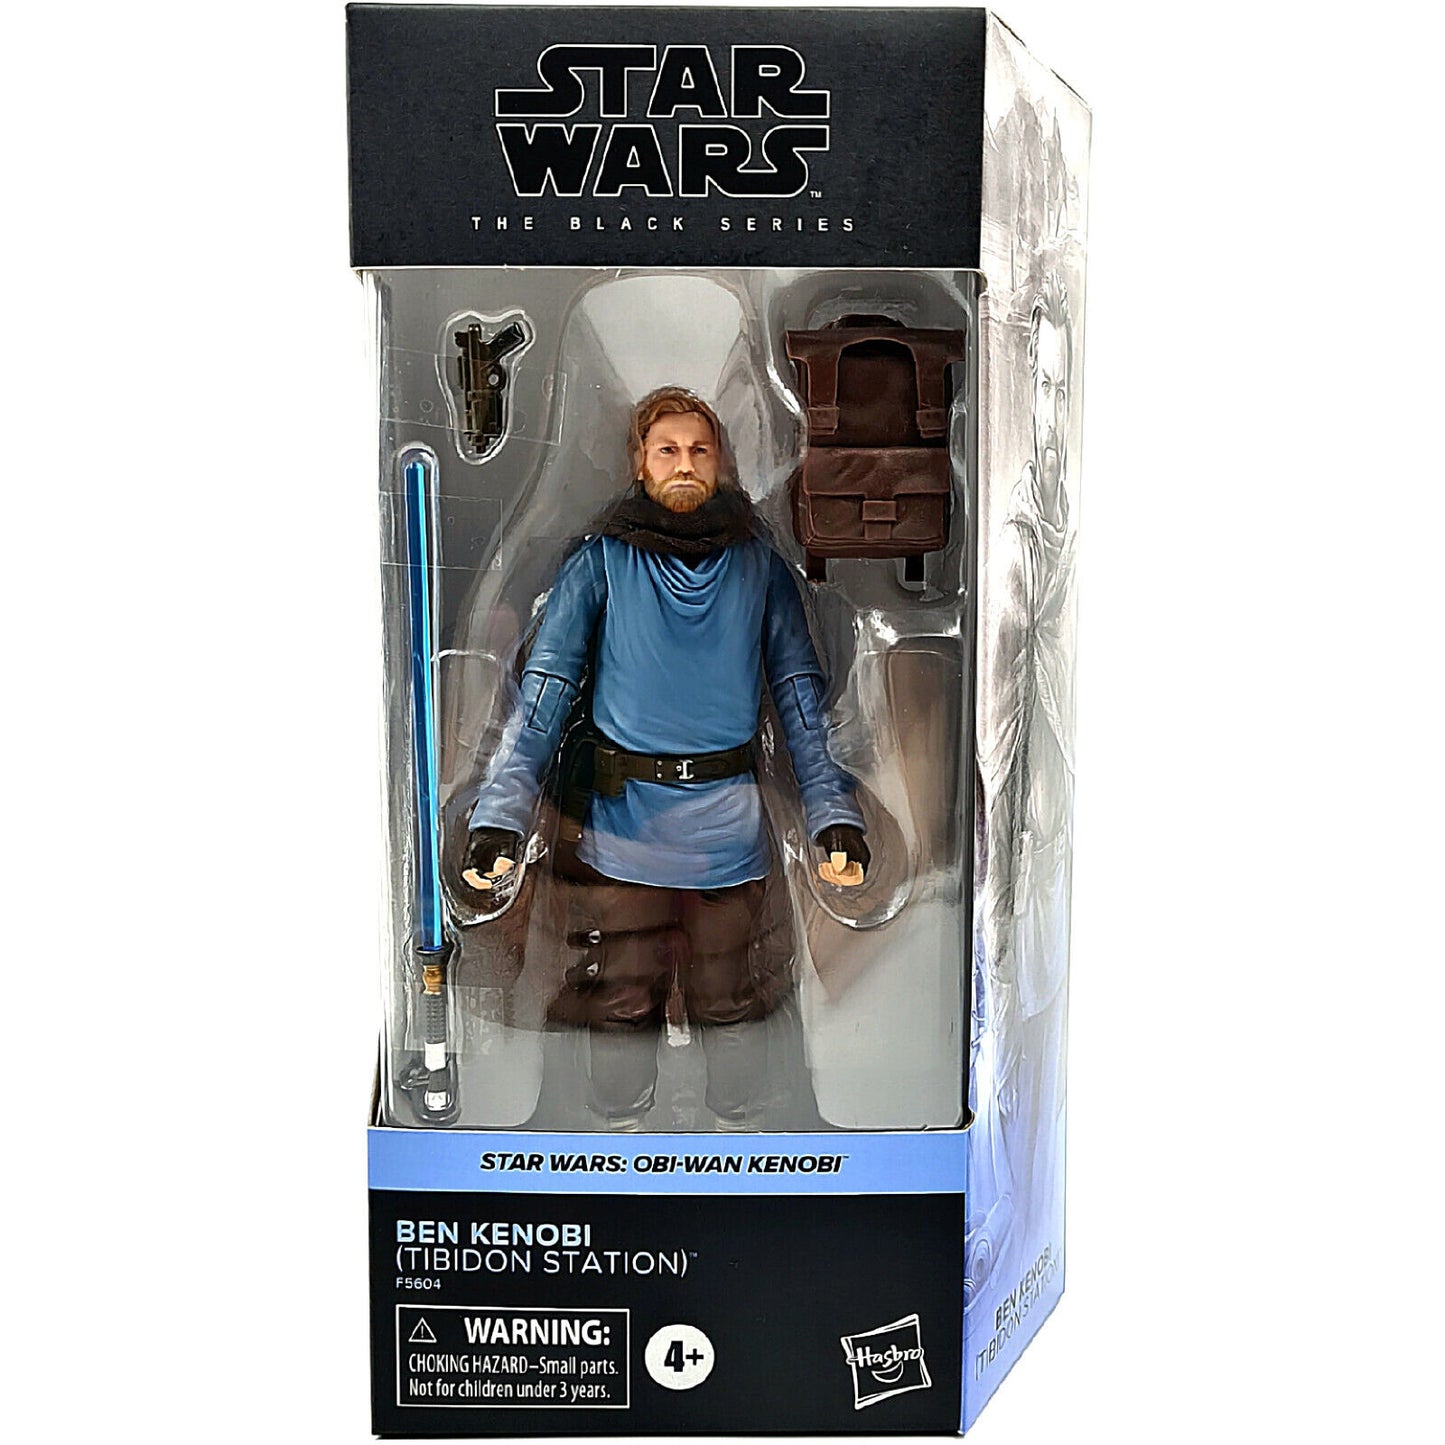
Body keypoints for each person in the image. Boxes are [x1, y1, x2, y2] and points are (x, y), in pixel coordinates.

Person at [463, 386, 870, 1128]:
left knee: (731, 1001)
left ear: (720, 461)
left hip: (728, 834)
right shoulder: (600, 564)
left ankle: (743, 1136)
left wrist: (831, 815)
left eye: (699, 450)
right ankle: (615, 1133)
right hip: (625, 832)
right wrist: (500, 818)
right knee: (621, 998)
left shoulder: (758, 567)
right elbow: (543, 698)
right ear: (640, 463)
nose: (684, 463)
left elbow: (800, 703)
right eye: (668, 450)